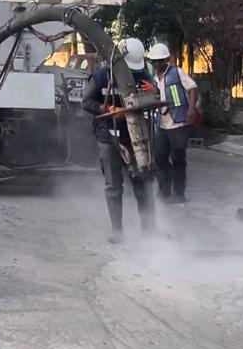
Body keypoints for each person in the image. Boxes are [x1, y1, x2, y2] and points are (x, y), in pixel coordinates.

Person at [83, 38, 158, 243]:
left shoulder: (143, 75)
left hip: (137, 138)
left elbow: (155, 100)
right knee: (114, 186)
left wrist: (153, 93)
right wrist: (107, 110)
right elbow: (87, 102)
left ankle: (150, 230)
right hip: (109, 138)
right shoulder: (101, 77)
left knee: (143, 183)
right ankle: (117, 230)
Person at [145, 43, 199, 203]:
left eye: (159, 61)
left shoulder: (177, 72)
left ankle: (179, 194)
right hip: (162, 123)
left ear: (166, 60)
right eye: (154, 61)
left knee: (178, 158)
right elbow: (158, 97)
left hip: (178, 123)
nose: (156, 64)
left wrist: (191, 109)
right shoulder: (154, 78)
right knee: (160, 157)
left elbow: (193, 88)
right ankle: (164, 190)